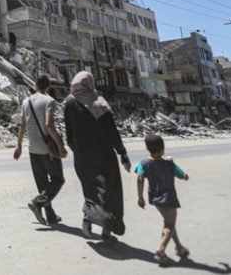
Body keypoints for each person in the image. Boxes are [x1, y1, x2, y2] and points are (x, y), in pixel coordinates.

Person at [63, 71, 130, 242]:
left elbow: (69, 135)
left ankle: (88, 217)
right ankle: (107, 232)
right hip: (104, 155)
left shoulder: (69, 103)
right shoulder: (98, 102)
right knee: (109, 191)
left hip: (82, 156)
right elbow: (112, 131)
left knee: (90, 190)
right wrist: (122, 153)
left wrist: (78, 151)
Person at [13, 75, 68, 225]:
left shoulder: (26, 102)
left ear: (35, 84)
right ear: (48, 87)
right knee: (57, 179)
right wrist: (61, 146)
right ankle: (37, 203)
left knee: (42, 184)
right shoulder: (49, 101)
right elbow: (49, 124)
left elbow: (22, 126)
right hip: (47, 149)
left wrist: (19, 146)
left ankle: (50, 215)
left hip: (32, 149)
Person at [136, 134, 191, 267]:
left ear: (147, 148)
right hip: (169, 200)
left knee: (169, 223)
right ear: (163, 149)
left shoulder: (143, 163)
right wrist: (172, 163)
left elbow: (140, 179)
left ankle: (179, 248)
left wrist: (140, 197)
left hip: (155, 199)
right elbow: (185, 177)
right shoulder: (169, 165)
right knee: (169, 225)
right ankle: (160, 249)